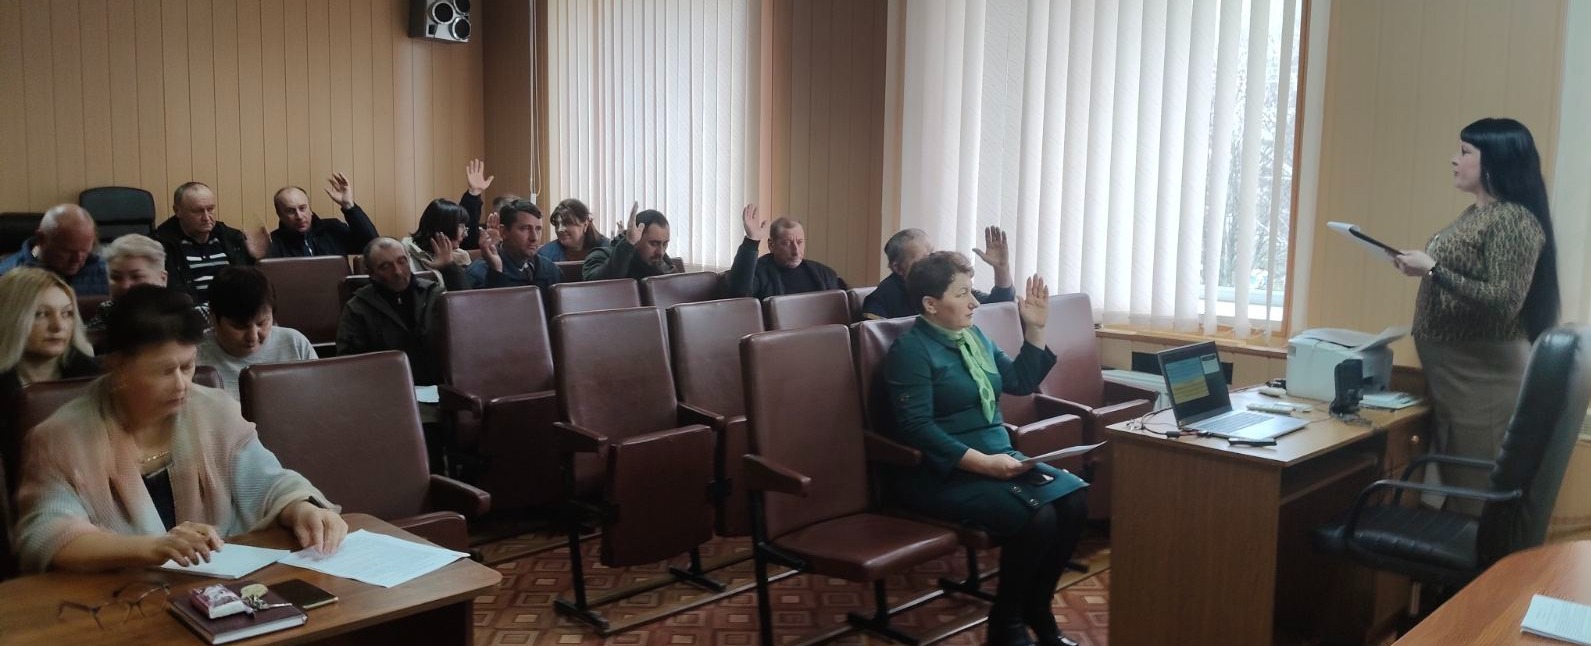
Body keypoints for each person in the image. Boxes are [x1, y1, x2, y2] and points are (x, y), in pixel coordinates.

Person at [12, 284, 345, 573]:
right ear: (118, 367)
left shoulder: (214, 410)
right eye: (164, 371)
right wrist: (150, 548)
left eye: (187, 366)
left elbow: (269, 481)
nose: (182, 384)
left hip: (220, 585)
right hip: (119, 595)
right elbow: (46, 535)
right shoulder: (61, 437)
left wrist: (301, 508)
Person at [883, 252, 1084, 646]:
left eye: (972, 291)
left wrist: (1036, 329)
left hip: (999, 459)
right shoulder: (910, 351)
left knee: (1074, 500)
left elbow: (1020, 381)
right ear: (930, 304)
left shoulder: (974, 337)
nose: (975, 302)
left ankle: (1038, 608)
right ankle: (1006, 623)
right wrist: (985, 465)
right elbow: (917, 428)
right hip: (944, 473)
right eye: (962, 294)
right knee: (1038, 517)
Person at [1390, 117, 1559, 516]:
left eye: (1465, 152)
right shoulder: (1475, 214)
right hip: (1457, 377)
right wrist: (1422, 268)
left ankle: (1481, 561)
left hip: (1483, 379)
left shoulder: (1513, 219)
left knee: (1477, 500)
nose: (1454, 159)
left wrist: (1433, 270)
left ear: (1494, 161)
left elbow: (1505, 300)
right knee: (1458, 491)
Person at [0, 268, 102, 481]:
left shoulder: (96, 379)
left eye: (67, 313)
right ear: (10, 318)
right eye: (41, 314)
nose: (58, 326)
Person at [196, 267, 316, 400]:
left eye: (262, 323)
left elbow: (319, 397)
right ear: (213, 318)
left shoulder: (295, 343)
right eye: (239, 327)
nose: (253, 337)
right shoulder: (194, 353)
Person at [338, 237, 444, 386]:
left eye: (402, 261)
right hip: (385, 389)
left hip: (440, 387)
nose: (398, 272)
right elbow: (351, 365)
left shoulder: (433, 294)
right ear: (370, 272)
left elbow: (466, 331)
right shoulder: (357, 308)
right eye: (385, 267)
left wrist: (451, 269)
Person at [864, 227, 1015, 319]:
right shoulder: (880, 300)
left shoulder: (945, 281)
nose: (932, 261)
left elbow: (997, 307)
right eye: (923, 258)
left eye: (932, 253)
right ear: (898, 268)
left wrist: (1001, 269)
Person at [154, 182, 266, 304]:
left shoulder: (231, 238)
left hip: (235, 309)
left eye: (210, 209)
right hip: (191, 312)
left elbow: (250, 286)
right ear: (177, 211)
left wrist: (256, 258)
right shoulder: (161, 245)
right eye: (198, 211)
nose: (207, 218)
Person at [727, 204, 847, 299]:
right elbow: (739, 295)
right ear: (771, 245)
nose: (796, 251)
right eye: (787, 243)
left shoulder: (824, 274)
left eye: (800, 242)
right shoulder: (759, 272)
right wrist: (752, 241)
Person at [87, 234, 193, 337]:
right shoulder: (106, 312)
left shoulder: (183, 315)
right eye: (116, 277)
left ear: (163, 279)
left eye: (136, 277)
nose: (125, 285)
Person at [0, 204, 109, 297]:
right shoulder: (7, 278)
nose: (77, 259)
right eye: (68, 252)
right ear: (41, 239)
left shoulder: (106, 270)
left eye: (84, 251)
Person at [266, 173, 380, 258]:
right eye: (290, 211)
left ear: (310, 209)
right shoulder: (273, 243)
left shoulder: (333, 229)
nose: (299, 216)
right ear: (280, 215)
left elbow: (373, 246)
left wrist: (349, 206)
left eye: (303, 208)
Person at [467, 199, 561, 291]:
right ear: (503, 232)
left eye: (538, 229)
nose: (534, 238)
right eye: (525, 228)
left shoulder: (549, 269)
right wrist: (496, 273)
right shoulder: (479, 272)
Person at [582, 202, 680, 280]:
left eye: (665, 244)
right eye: (654, 244)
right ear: (637, 237)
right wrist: (628, 244)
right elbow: (596, 287)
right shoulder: (600, 255)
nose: (661, 252)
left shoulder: (662, 263)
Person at [401, 199, 472, 291]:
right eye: (461, 226)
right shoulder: (405, 258)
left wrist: (451, 267)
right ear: (444, 227)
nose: (465, 234)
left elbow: (467, 297)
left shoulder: (461, 256)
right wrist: (449, 267)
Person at [539, 198, 609, 262]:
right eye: (557, 224)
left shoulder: (608, 251)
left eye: (567, 223)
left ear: (585, 224)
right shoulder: (545, 254)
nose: (560, 229)